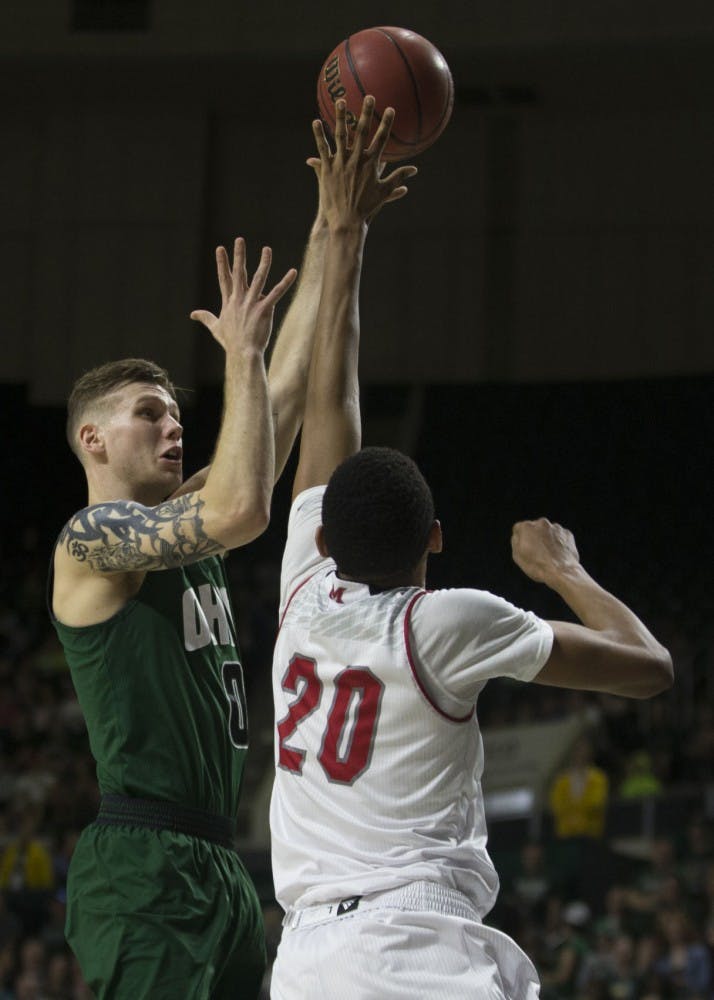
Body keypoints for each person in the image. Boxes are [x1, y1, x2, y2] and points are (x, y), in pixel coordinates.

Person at [267, 98, 674, 998]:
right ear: (437, 543)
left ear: (325, 535)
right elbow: (650, 669)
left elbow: (330, 405)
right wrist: (564, 571)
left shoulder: (301, 596)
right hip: (414, 952)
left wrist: (344, 229)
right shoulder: (446, 623)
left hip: (305, 965)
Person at [49, 235, 303, 998]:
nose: (174, 427)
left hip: (218, 859)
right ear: (93, 439)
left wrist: (338, 231)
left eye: (174, 415)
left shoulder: (181, 531)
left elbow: (279, 403)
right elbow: (242, 505)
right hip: (143, 859)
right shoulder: (90, 542)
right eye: (149, 414)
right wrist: (236, 356)